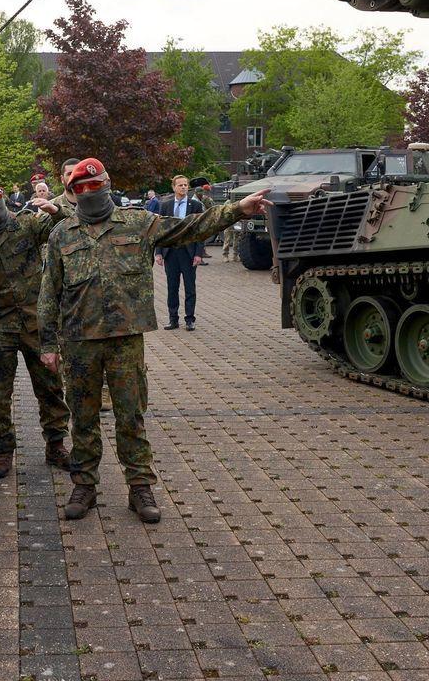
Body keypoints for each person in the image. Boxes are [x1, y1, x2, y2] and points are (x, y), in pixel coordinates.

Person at [39, 158, 269, 524]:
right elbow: (48, 292)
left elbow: (189, 229)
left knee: (131, 416)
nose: (89, 195)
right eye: (81, 190)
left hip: (125, 342)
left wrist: (235, 209)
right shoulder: (62, 233)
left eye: (95, 188)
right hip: (79, 342)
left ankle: (140, 487)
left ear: (108, 184)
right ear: (73, 193)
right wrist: (48, 344)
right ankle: (84, 485)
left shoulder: (138, 223)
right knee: (83, 419)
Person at [0, 172, 70, 478]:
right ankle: (3, 451)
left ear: (2, 195)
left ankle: (56, 445)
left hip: (35, 321)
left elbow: (61, 228)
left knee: (51, 385)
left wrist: (57, 210)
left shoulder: (26, 224)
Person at [154, 176, 207, 331]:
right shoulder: (165, 205)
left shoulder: (195, 205)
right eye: (180, 185)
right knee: (172, 287)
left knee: (190, 287)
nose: (183, 187)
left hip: (188, 252)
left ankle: (190, 319)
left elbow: (200, 231)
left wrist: (198, 253)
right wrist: (158, 252)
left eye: (185, 185)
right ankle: (173, 319)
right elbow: (160, 231)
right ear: (174, 187)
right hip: (170, 252)